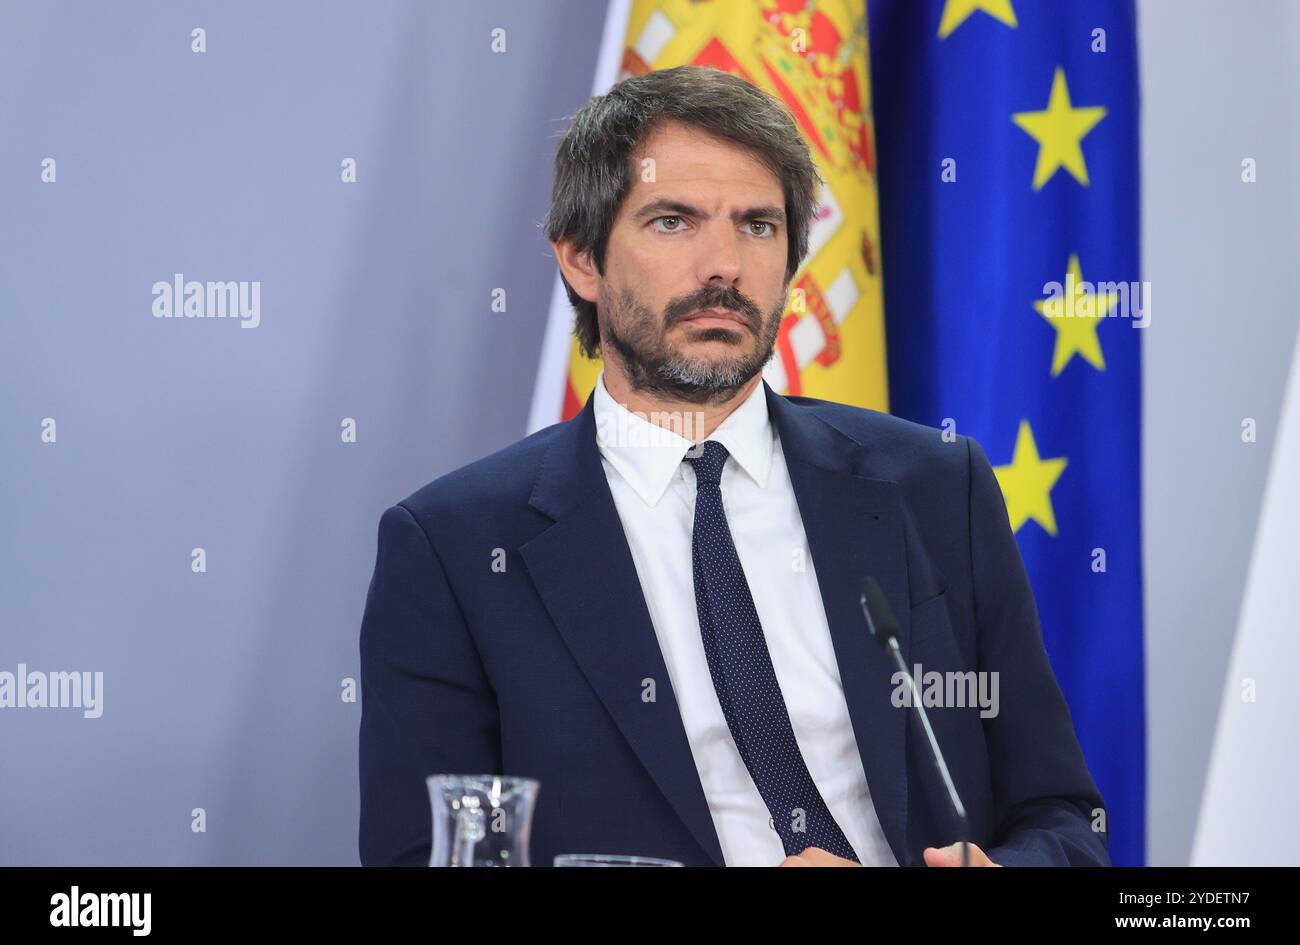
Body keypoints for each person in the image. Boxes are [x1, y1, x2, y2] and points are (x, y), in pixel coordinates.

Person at [358, 65, 1109, 867]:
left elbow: (1061, 819)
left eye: (757, 224)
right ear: (581, 258)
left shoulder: (933, 486)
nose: (724, 265)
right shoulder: (457, 548)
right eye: (673, 221)